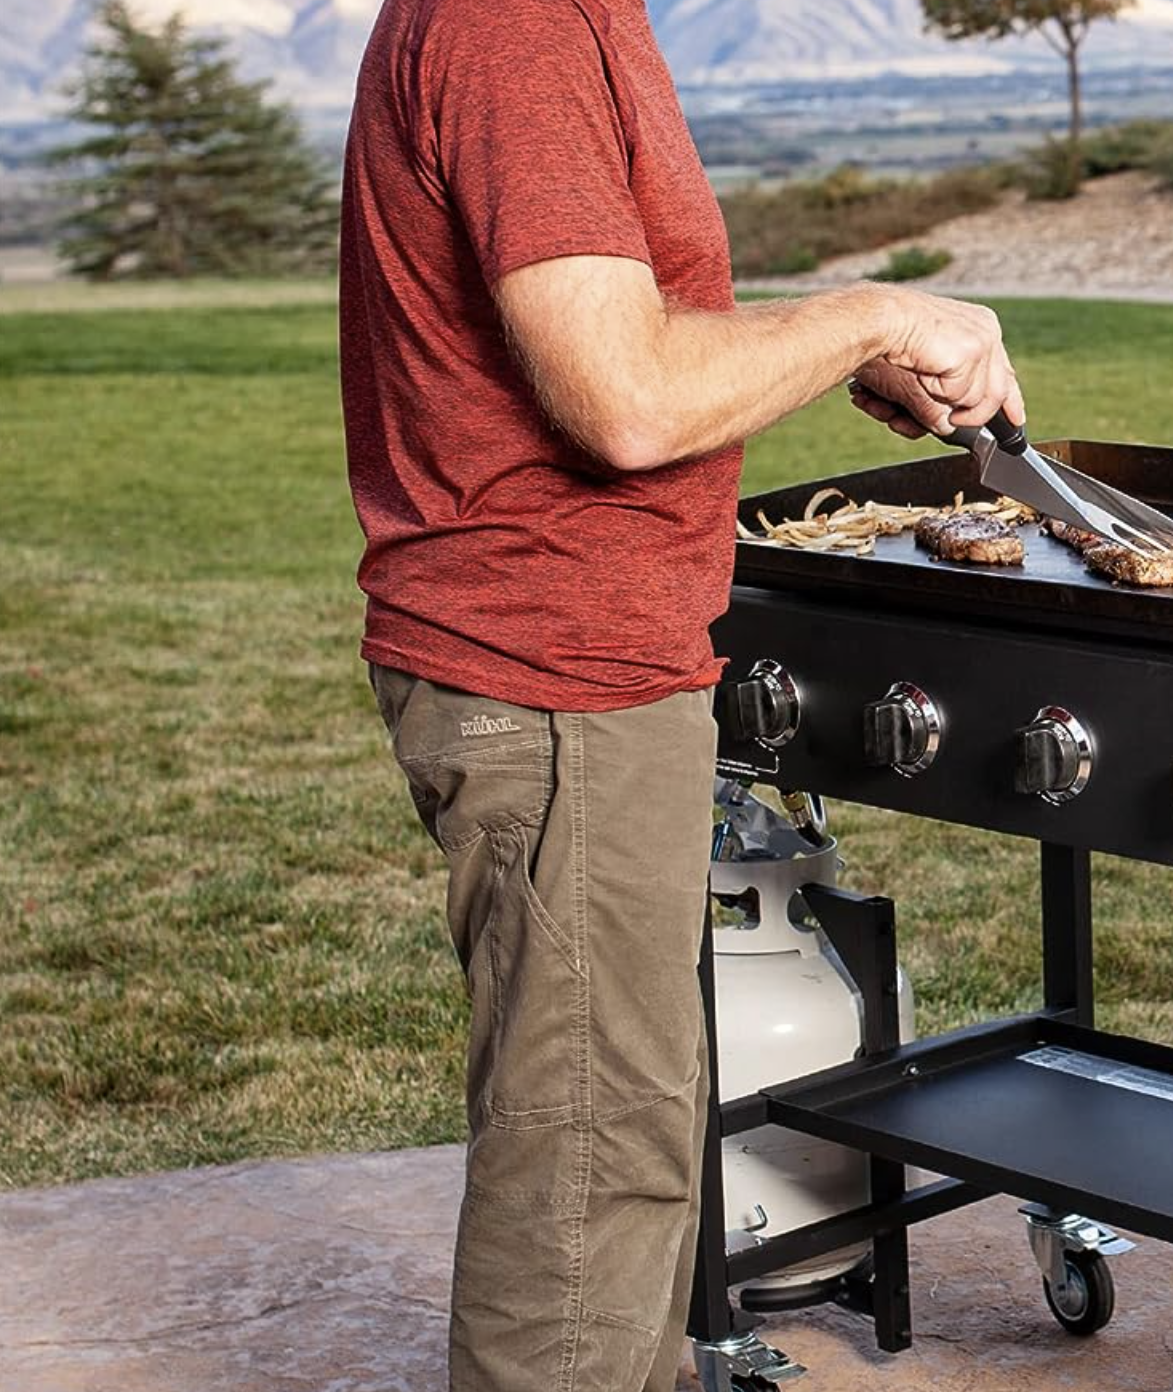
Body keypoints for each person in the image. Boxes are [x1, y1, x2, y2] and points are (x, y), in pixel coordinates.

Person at [337, 1, 1021, 1388]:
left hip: (582, 670)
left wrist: (828, 354)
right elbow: (627, 401)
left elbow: (615, 325)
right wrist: (877, 310)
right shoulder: (517, 24)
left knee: (628, 1139)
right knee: (592, 1159)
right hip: (550, 675)